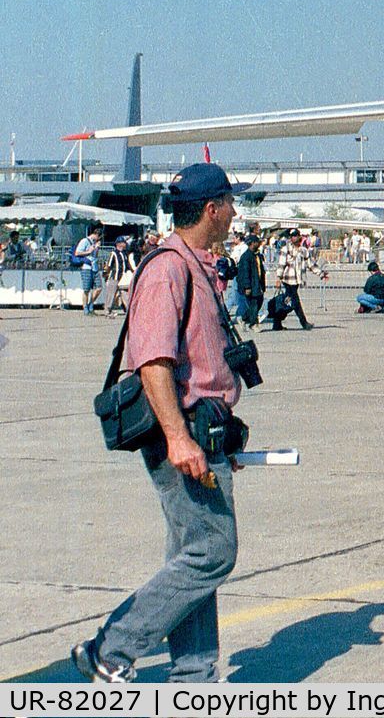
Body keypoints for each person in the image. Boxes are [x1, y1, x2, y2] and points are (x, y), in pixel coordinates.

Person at [73, 164, 252, 683]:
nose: (235, 212)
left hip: (205, 429)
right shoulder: (168, 268)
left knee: (190, 555)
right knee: (213, 553)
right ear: (212, 209)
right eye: (230, 204)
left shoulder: (198, 266)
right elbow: (152, 361)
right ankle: (111, 648)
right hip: (183, 433)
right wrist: (178, 437)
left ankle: (193, 678)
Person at [227, 232, 265, 329]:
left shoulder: (257, 255)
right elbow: (245, 273)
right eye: (257, 242)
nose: (259, 243)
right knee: (254, 304)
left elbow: (261, 270)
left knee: (258, 303)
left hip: (258, 283)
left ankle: (243, 318)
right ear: (252, 243)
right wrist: (247, 287)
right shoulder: (246, 257)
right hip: (251, 284)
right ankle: (253, 324)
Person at [75, 224, 104, 313]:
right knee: (86, 289)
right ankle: (85, 308)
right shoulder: (84, 241)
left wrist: (97, 249)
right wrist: (89, 251)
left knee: (99, 287)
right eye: (99, 238)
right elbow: (77, 253)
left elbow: (95, 255)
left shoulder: (95, 243)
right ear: (96, 235)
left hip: (95, 267)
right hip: (86, 267)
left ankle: (91, 303)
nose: (99, 240)